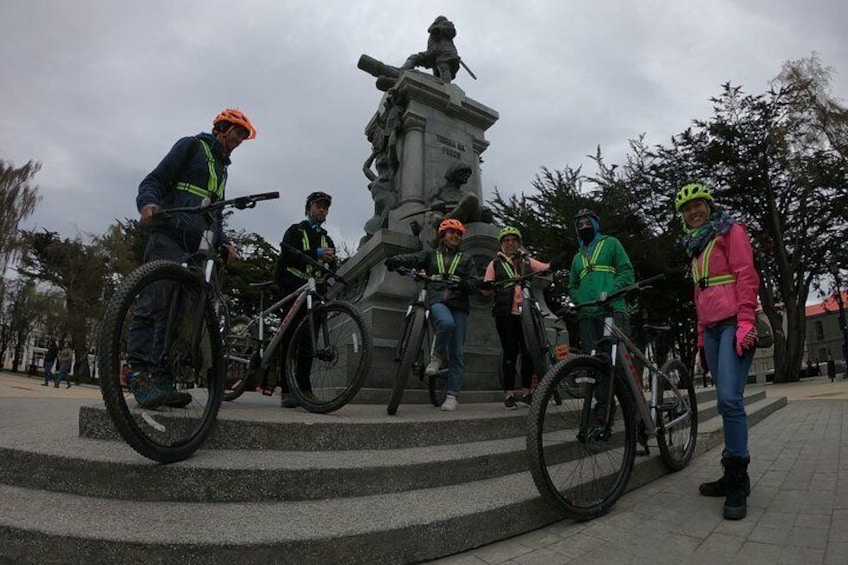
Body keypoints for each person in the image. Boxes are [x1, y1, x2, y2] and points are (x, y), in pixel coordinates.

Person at [128, 108, 256, 409]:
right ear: (222, 128)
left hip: (197, 246)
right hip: (169, 234)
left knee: (180, 311)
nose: (238, 142)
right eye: (236, 135)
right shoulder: (191, 146)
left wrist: (224, 244)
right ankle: (139, 372)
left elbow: (214, 214)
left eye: (242, 139)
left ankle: (161, 378)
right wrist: (148, 204)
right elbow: (154, 181)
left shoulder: (222, 170)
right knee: (155, 303)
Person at [676, 182, 760, 521]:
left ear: (709, 206)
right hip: (710, 331)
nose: (693, 212)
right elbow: (701, 296)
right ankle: (730, 473)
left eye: (698, 205)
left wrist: (745, 322)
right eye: (686, 208)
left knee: (729, 399)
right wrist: (699, 339)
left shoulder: (730, 231)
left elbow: (745, 275)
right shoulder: (696, 247)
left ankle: (739, 480)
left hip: (733, 325)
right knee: (726, 402)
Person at [385, 218, 480, 411]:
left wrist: (466, 284)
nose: (455, 236)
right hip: (437, 299)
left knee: (457, 353)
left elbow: (474, 280)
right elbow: (414, 258)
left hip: (459, 304)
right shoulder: (431, 254)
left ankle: (452, 395)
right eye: (451, 232)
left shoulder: (466, 259)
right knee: (445, 324)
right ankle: (436, 356)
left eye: (459, 234)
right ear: (442, 236)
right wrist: (396, 260)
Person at [568, 209, 634, 421]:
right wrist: (579, 301)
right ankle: (604, 408)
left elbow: (626, 271)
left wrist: (612, 290)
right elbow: (572, 285)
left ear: (596, 224)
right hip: (587, 315)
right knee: (596, 364)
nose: (584, 227)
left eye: (588, 222)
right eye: (580, 224)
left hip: (612, 310)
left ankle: (635, 414)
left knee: (619, 362)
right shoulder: (577, 258)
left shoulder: (611, 243)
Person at [275, 191, 338, 408]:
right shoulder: (295, 230)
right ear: (309, 208)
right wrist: (316, 254)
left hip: (315, 294)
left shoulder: (328, 239)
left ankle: (305, 388)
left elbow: (331, 268)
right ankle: (285, 389)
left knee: (308, 343)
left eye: (325, 207)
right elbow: (287, 254)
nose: (322, 210)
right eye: (318, 206)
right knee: (289, 337)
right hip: (294, 289)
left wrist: (331, 272)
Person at [483, 226, 557, 410]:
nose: (510, 243)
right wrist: (483, 286)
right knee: (510, 353)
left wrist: (555, 264)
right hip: (505, 313)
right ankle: (509, 394)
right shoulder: (494, 264)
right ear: (501, 244)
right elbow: (486, 287)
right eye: (506, 240)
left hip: (527, 313)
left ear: (518, 243)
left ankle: (526, 392)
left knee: (528, 352)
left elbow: (546, 267)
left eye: (513, 240)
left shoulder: (526, 261)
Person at [399, 15, 460, 83]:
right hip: (433, 52)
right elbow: (433, 32)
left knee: (443, 68)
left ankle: (447, 86)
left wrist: (439, 29)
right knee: (415, 58)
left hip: (444, 51)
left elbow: (451, 32)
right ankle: (402, 71)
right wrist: (435, 29)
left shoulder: (446, 25)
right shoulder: (433, 28)